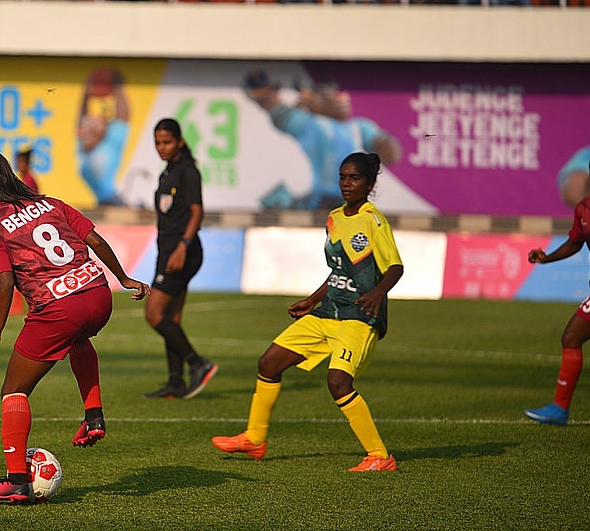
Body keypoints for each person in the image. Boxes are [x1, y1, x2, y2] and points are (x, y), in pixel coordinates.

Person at [0, 151, 149, 503]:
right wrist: (122, 277)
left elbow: (5, 283)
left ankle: (17, 479)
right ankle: (93, 416)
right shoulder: (51, 204)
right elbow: (95, 240)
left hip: (59, 307)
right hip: (98, 294)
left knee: (13, 389)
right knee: (78, 339)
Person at [213, 152, 403, 473]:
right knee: (269, 362)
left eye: (354, 178)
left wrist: (377, 293)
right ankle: (255, 438)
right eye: (343, 176)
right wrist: (313, 300)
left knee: (338, 383)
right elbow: (339, 270)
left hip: (357, 318)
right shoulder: (334, 217)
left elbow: (395, 267)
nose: (346, 183)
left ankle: (380, 456)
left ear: (369, 184)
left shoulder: (373, 220)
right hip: (328, 311)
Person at [244, 73, 401, 210]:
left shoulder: (358, 127)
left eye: (338, 94)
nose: (341, 99)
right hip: (319, 199)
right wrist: (264, 92)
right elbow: (277, 111)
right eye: (329, 95)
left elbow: (391, 155)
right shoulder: (309, 123)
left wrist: (382, 144)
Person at [142, 118, 218, 399]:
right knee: (171, 317)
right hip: (169, 249)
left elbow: (197, 212)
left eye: (167, 142)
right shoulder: (169, 171)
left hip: (181, 251)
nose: (162, 148)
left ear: (180, 141)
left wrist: (183, 246)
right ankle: (176, 382)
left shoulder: (187, 171)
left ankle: (199, 364)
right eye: (158, 143)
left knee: (153, 314)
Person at [524, 152, 590, 426]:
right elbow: (575, 243)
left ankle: (559, 408)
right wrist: (547, 258)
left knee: (570, 337)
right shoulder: (585, 208)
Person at [77, 66, 129, 206]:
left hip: (112, 201)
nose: (92, 124)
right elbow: (82, 119)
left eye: (98, 122)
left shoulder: (111, 143)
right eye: (91, 123)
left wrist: (118, 88)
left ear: (105, 129)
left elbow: (123, 116)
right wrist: (86, 95)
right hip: (101, 202)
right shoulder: (83, 147)